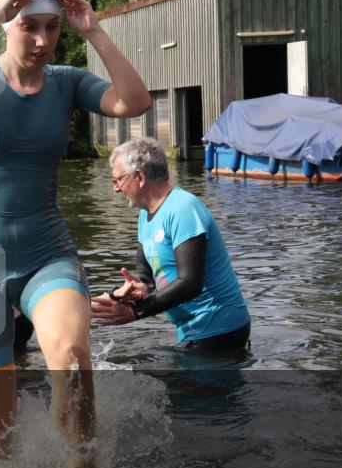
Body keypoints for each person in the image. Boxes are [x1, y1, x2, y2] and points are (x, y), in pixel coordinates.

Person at [0, 0, 150, 468]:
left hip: (45, 252)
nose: (41, 40)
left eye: (51, 29)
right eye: (30, 26)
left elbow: (135, 102)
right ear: (9, 22)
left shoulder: (67, 82)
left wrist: (93, 30)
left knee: (73, 362)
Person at [90, 137, 251, 353]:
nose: (116, 189)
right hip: (193, 330)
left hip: (220, 329)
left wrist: (135, 313)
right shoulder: (144, 216)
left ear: (139, 177)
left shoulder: (183, 208)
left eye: (118, 180)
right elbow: (147, 277)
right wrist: (135, 290)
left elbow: (190, 282)